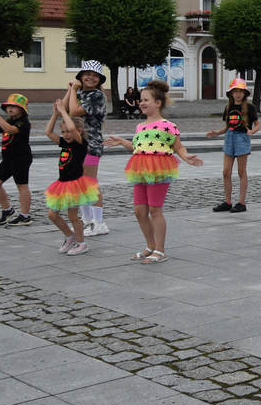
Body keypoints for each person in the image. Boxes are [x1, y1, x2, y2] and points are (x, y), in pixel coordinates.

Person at [105, 80, 203, 263]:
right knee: (139, 211)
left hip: (159, 169)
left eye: (145, 100)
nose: (141, 103)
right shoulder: (140, 126)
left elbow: (178, 147)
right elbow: (137, 147)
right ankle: (150, 246)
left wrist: (187, 157)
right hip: (140, 169)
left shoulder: (168, 125)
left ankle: (160, 250)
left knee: (155, 210)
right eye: (140, 99)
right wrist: (121, 141)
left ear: (157, 103)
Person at [45, 99, 99, 256]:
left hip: (75, 184)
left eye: (68, 131)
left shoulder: (80, 143)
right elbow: (48, 132)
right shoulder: (64, 143)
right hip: (62, 184)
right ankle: (70, 236)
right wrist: (55, 115)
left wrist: (63, 111)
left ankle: (81, 243)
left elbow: (72, 128)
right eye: (63, 132)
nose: (65, 134)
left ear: (79, 130)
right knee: (52, 214)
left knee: (73, 215)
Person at [67, 60, 109, 237]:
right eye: (87, 74)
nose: (90, 77)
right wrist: (71, 90)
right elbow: (63, 107)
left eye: (94, 75)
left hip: (91, 144)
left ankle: (99, 223)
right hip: (77, 144)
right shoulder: (79, 94)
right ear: (80, 77)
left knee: (90, 183)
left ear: (99, 79)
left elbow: (75, 112)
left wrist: (74, 91)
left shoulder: (96, 96)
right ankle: (87, 221)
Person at [206, 78, 259, 213]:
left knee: (241, 172)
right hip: (229, 138)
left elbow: (258, 124)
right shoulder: (228, 107)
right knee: (225, 172)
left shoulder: (249, 107)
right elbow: (227, 126)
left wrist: (252, 131)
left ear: (245, 93)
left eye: (240, 91)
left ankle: (241, 202)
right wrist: (217, 133)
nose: (238, 94)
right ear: (231, 94)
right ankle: (228, 202)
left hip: (242, 138)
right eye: (235, 91)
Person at [0, 94, 33, 226]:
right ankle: (8, 211)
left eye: (14, 107)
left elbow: (11, 130)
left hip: (21, 158)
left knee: (22, 186)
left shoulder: (23, 122)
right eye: (8, 106)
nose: (10, 109)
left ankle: (25, 216)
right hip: (8, 159)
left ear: (22, 109)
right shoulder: (9, 120)